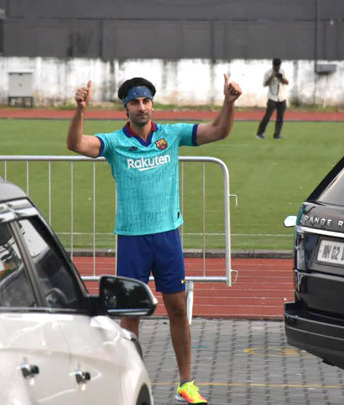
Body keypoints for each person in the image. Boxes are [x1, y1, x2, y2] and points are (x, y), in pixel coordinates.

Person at [67, 74, 242, 405]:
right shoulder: (115, 143)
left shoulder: (171, 135)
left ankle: (186, 384)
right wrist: (80, 109)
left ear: (152, 104)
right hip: (132, 239)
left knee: (177, 307)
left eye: (146, 100)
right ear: (125, 109)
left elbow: (219, 130)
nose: (142, 107)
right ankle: (130, 385)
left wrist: (229, 103)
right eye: (135, 102)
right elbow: (77, 144)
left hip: (167, 237)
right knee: (130, 315)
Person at [256, 58, 288, 140]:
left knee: (280, 117)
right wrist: (271, 77)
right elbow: (264, 84)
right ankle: (260, 133)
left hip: (282, 97)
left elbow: (287, 82)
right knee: (267, 116)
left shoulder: (283, 71)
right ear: (273, 65)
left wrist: (281, 78)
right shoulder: (268, 73)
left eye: (278, 66)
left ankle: (277, 135)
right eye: (276, 66)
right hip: (272, 98)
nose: (277, 68)